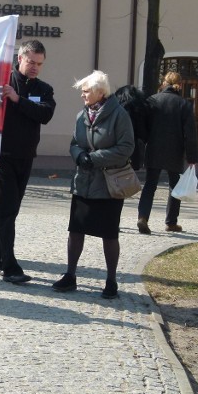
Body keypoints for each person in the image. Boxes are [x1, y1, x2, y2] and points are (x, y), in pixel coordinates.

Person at [52, 70, 134, 299]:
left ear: (100, 92)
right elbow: (74, 143)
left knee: (109, 234)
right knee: (76, 230)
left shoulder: (120, 116)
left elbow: (126, 147)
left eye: (86, 91)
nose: (83, 95)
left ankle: (111, 280)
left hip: (108, 185)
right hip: (83, 182)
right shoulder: (82, 115)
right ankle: (70, 275)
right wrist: (79, 155)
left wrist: (94, 158)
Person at [0, 39, 56, 284]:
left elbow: (45, 114)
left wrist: (18, 100)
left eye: (39, 63)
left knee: (9, 211)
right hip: (2, 158)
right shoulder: (2, 83)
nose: (35, 67)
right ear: (20, 59)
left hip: (26, 157)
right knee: (5, 212)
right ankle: (9, 266)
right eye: (31, 61)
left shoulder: (44, 89)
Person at [137, 71, 198, 234]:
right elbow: (190, 133)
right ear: (180, 84)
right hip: (175, 150)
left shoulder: (152, 100)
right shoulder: (184, 104)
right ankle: (171, 222)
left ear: (163, 83)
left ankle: (143, 217)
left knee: (150, 185)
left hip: (154, 148)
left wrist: (145, 142)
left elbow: (143, 127)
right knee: (175, 186)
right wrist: (192, 157)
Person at [114, 84, 149, 170]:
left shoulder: (115, 109)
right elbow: (142, 132)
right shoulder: (138, 109)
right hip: (132, 148)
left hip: (114, 148)